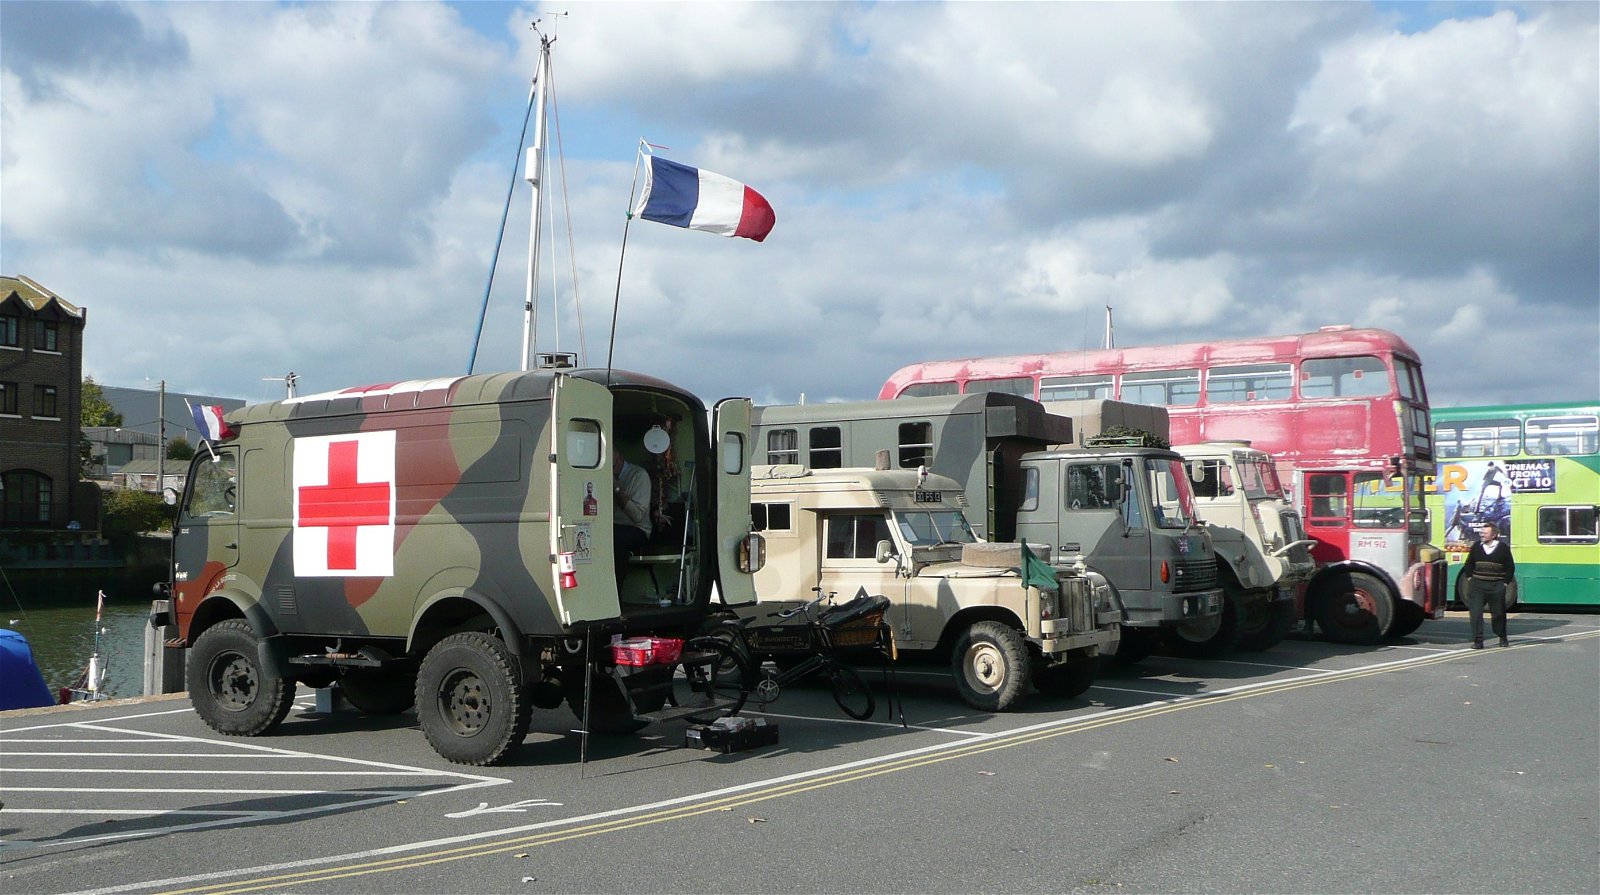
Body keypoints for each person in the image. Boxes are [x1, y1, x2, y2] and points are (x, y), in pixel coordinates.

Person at [1461, 520, 1515, 649]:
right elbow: (1469, 564)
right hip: (1477, 586)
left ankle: (1502, 636)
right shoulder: (1476, 546)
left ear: (1493, 535)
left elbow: (1510, 567)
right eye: (1481, 532)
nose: (1482, 535)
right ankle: (1478, 641)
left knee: (1498, 614)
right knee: (1475, 614)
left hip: (1496, 586)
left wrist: (1504, 583)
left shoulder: (1503, 548)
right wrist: (1470, 578)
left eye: (1485, 533)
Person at [613, 451, 653, 585]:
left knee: (614, 539)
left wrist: (616, 489)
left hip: (638, 529)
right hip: (613, 527)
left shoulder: (639, 476)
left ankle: (617, 589)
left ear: (620, 459)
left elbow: (638, 516)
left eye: (612, 467)